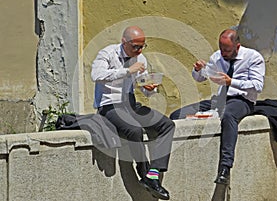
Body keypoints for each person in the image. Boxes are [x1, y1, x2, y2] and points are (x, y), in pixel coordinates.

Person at [170, 29, 265, 185]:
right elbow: (201, 78)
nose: (223, 53)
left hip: (242, 100)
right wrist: (198, 70)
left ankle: (225, 167)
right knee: (177, 114)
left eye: (227, 50)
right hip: (219, 100)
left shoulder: (253, 58)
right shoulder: (217, 56)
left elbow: (257, 86)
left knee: (229, 116)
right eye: (221, 49)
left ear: (237, 46)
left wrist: (231, 82)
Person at [91, 26, 175, 200]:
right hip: (110, 105)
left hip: (130, 103)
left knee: (167, 125)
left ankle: (154, 172)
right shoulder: (107, 54)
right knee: (134, 130)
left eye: (142, 46)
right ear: (124, 42)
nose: (139, 50)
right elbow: (96, 75)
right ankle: (144, 173)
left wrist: (149, 88)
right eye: (135, 46)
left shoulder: (140, 58)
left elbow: (143, 88)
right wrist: (128, 70)